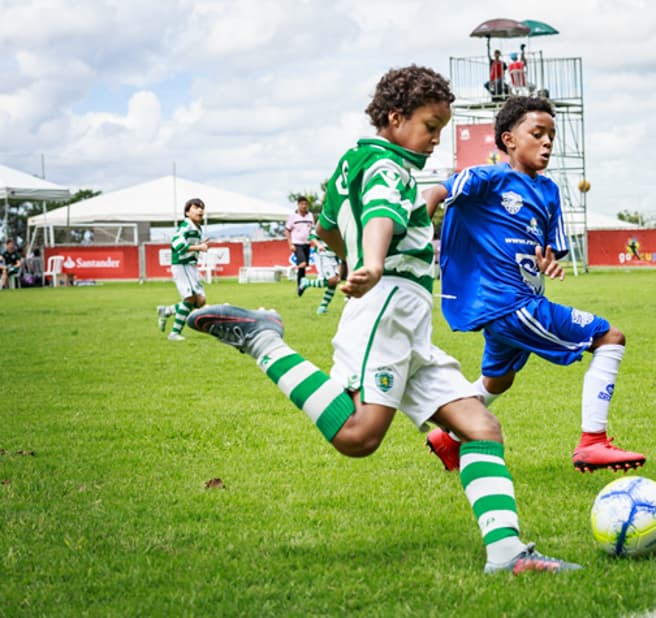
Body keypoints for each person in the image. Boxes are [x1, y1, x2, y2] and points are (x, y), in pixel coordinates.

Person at [186, 65, 580, 575]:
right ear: (395, 118)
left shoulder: (354, 161)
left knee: (480, 425)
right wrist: (371, 262)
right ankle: (264, 341)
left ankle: (507, 554)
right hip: (388, 304)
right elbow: (380, 215)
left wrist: (352, 259)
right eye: (430, 126)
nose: (436, 140)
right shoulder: (390, 170)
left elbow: (329, 224)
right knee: (358, 434)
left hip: (405, 314)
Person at [423, 96, 647, 474]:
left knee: (498, 380)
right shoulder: (486, 178)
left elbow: (546, 250)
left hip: (521, 299)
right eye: (537, 133)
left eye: (552, 136)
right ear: (509, 140)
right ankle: (593, 442)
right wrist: (412, 237)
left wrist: (548, 263)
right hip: (508, 305)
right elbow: (435, 194)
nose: (547, 142)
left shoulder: (549, 192)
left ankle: (448, 439)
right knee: (610, 338)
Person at [156, 198, 209, 341]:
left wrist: (200, 244)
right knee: (190, 298)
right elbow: (176, 244)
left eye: (202, 208)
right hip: (181, 265)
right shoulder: (186, 225)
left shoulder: (197, 228)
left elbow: (190, 245)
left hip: (190, 266)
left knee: (200, 301)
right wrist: (199, 247)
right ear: (187, 212)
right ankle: (174, 333)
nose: (200, 210)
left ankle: (166, 311)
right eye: (196, 207)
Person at [297, 230, 344, 315]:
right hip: (323, 255)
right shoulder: (328, 221)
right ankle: (306, 282)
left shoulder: (342, 226)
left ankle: (323, 307)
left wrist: (340, 274)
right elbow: (311, 235)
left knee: (334, 282)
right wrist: (319, 245)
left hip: (334, 256)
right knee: (331, 280)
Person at [286, 196, 315, 295]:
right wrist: (290, 244)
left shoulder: (310, 215)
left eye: (305, 204)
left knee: (304, 267)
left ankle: (301, 286)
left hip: (307, 244)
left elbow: (312, 229)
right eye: (302, 204)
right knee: (302, 264)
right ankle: (300, 285)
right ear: (298, 205)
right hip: (297, 244)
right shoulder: (293, 216)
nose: (304, 206)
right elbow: (287, 230)